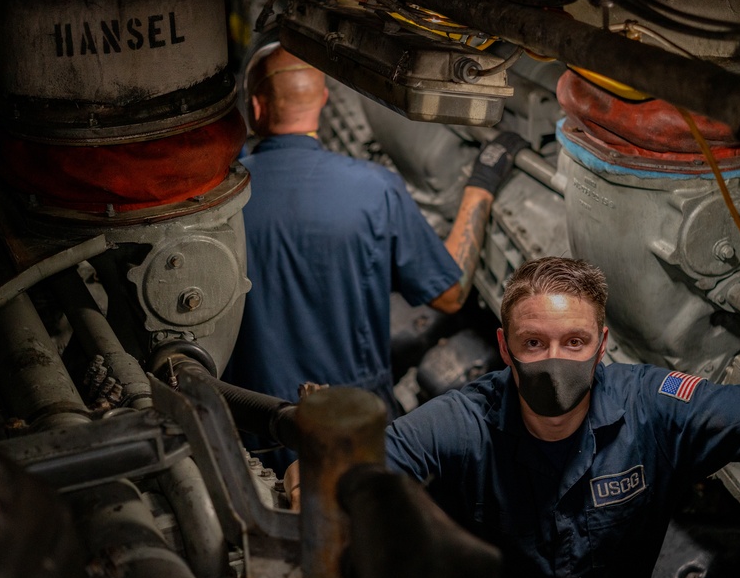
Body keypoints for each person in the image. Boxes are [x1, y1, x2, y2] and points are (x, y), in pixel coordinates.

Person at [285, 255, 740, 578]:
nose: (554, 360)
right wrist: (309, 475)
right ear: (505, 348)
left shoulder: (652, 405)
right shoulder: (464, 420)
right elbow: (347, 470)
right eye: (534, 344)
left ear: (601, 344)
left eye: (574, 342)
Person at [223, 43, 526, 473]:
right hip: (357, 433)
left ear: (253, 107)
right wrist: (481, 183)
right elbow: (451, 294)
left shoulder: (222, 200)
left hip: (252, 432)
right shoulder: (374, 188)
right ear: (323, 101)